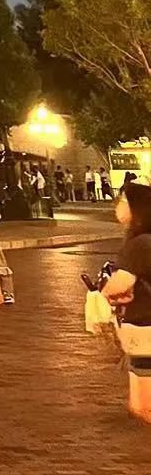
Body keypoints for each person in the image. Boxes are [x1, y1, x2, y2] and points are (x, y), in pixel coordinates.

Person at [101, 180, 151, 425]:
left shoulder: (139, 244)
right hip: (142, 327)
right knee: (138, 407)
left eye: (122, 200)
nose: (117, 206)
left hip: (145, 328)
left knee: (144, 408)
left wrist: (104, 294)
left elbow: (119, 284)